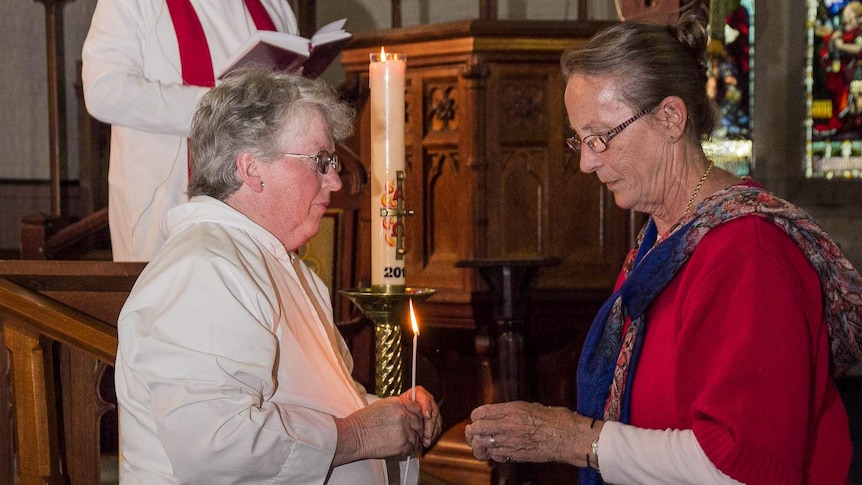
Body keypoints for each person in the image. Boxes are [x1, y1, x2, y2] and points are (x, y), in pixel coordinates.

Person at [465, 8, 861, 485]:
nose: (587, 163)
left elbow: (745, 468)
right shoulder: (664, 237)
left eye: (600, 138)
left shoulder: (749, 254)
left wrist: (574, 439)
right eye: (579, 141)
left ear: (671, 117)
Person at [115, 67, 442, 484]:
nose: (336, 181)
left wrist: (393, 417)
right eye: (321, 162)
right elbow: (216, 447)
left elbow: (308, 406)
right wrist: (360, 435)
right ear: (252, 169)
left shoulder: (277, 264)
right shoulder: (202, 269)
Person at [81, 0, 299, 262]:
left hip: (262, 199)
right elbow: (104, 92)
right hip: (169, 196)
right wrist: (221, 108)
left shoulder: (274, 4)